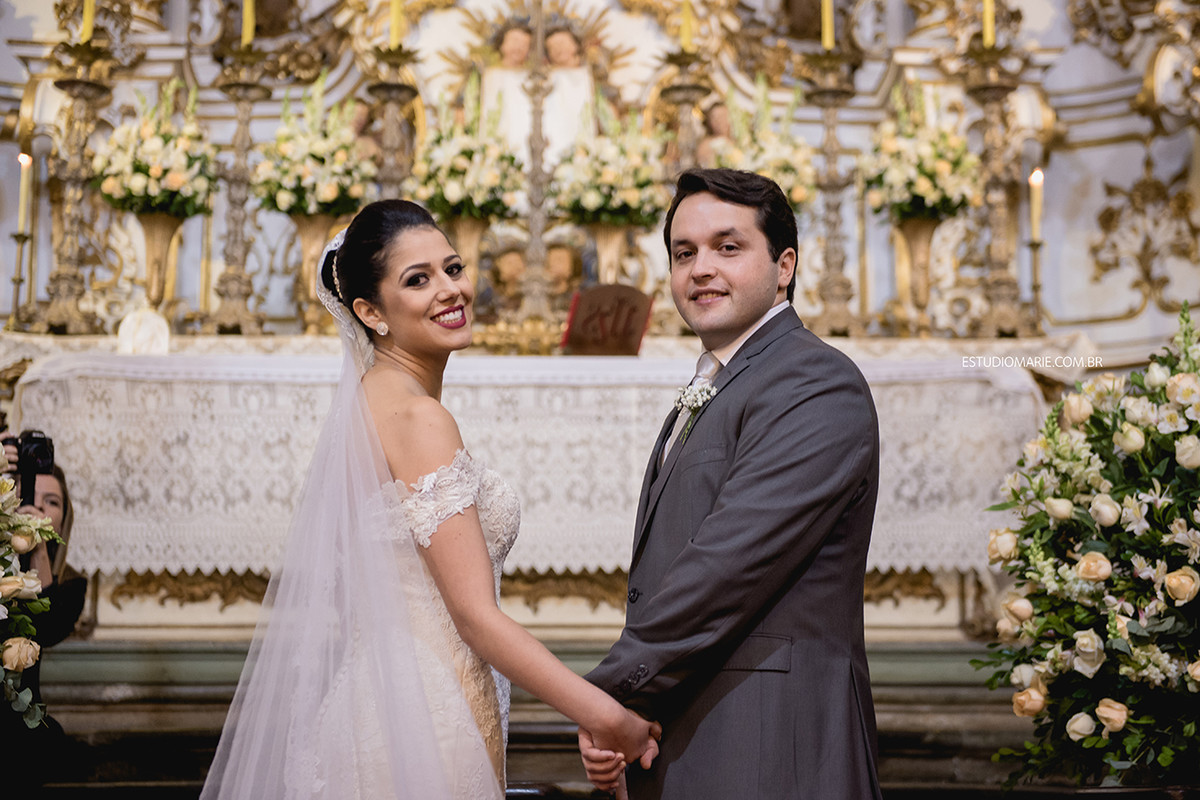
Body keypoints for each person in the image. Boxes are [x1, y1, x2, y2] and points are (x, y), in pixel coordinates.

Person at [200, 199, 659, 800]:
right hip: (429, 718)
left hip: (380, 702)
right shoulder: (419, 417)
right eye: (418, 280)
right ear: (370, 311)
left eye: (453, 268)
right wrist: (604, 715)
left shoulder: (371, 400)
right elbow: (475, 618)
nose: (451, 290)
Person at [580, 169, 884, 800]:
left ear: (784, 266)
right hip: (704, 735)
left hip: (773, 742)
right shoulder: (726, 379)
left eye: (728, 247)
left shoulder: (813, 383)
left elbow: (727, 567)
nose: (700, 269)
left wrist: (607, 695)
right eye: (684, 253)